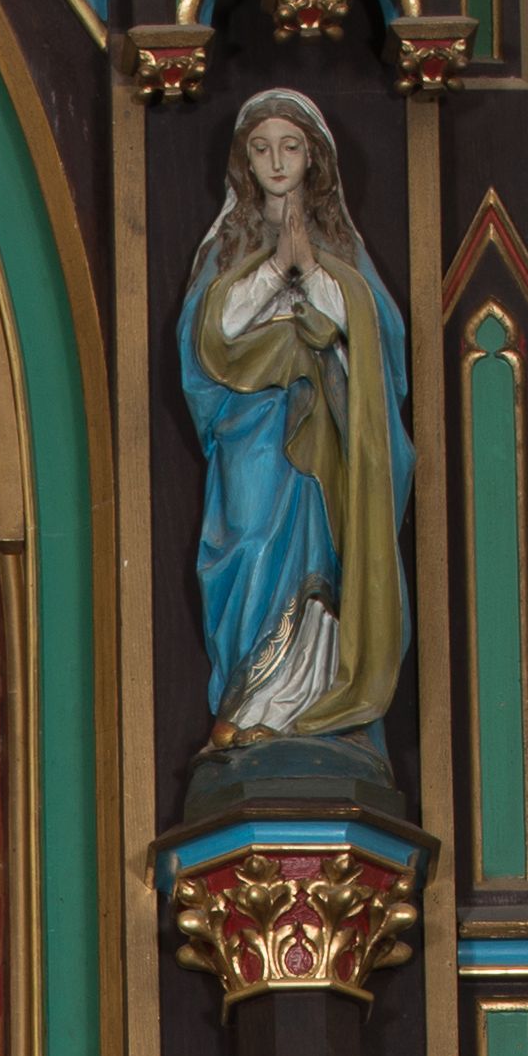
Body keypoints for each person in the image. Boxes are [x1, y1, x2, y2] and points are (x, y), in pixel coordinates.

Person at [177, 90, 412, 772]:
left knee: (323, 562)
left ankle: (311, 702)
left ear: (313, 157)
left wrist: (308, 263)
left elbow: (377, 340)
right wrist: (276, 267)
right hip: (251, 434)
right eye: (261, 149)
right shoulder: (227, 244)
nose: (276, 162)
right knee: (250, 545)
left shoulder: (339, 246)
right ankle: (248, 703)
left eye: (289, 147)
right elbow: (208, 336)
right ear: (244, 162)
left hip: (324, 444)